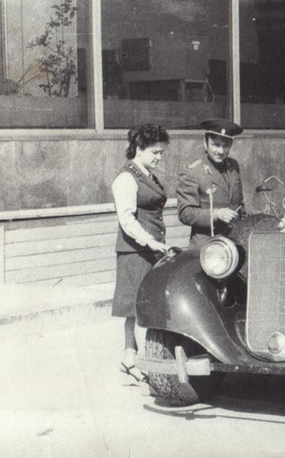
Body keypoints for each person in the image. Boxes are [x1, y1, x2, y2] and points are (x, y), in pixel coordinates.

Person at [111, 124, 171, 383]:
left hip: (149, 250)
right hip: (136, 252)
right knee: (139, 309)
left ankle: (129, 359)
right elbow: (127, 220)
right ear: (139, 148)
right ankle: (148, 364)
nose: (159, 157)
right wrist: (150, 242)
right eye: (155, 152)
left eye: (162, 152)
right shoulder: (126, 178)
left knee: (135, 309)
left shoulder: (146, 175)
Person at [177, 118, 246, 250]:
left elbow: (239, 205)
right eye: (216, 145)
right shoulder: (193, 171)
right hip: (207, 247)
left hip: (233, 244)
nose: (221, 151)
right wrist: (216, 214)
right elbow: (185, 213)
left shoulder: (233, 166)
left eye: (226, 146)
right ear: (205, 143)